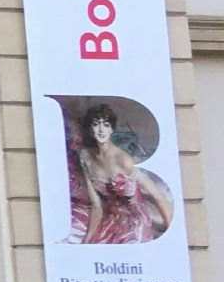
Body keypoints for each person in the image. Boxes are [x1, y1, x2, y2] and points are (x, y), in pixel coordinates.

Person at [75, 102, 174, 245]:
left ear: (111, 130)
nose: (101, 130)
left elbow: (157, 197)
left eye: (106, 125)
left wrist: (171, 234)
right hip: (110, 219)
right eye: (96, 124)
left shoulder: (123, 160)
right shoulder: (86, 157)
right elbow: (97, 205)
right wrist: (88, 240)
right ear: (90, 129)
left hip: (134, 222)